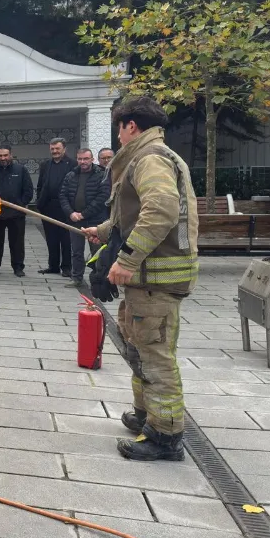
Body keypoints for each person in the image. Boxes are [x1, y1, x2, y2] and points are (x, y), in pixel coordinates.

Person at [81, 96, 199, 462]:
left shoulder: (149, 158)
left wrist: (128, 259)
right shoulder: (149, 157)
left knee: (155, 355)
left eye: (120, 128)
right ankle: (148, 416)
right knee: (139, 349)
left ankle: (166, 436)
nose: (118, 137)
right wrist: (102, 231)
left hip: (155, 278)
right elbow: (132, 214)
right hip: (147, 280)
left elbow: (160, 210)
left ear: (131, 126)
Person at [59, 148, 109, 287]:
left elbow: (102, 198)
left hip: (95, 220)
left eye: (86, 159)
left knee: (97, 251)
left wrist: (84, 214)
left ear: (92, 159)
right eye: (80, 159)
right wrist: (71, 213)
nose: (83, 162)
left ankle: (99, 279)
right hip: (75, 221)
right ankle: (77, 278)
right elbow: (63, 196)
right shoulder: (71, 175)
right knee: (76, 251)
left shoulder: (102, 175)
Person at [0, 146, 34, 277]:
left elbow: (28, 190)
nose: (3, 158)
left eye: (5, 155)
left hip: (16, 214)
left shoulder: (21, 170)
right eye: (0, 155)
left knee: (17, 242)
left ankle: (18, 267)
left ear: (11, 155)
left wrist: (20, 204)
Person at [36, 137, 76, 277]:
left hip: (65, 207)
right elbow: (41, 184)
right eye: (52, 149)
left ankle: (66, 267)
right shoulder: (45, 164)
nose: (55, 151)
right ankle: (53, 266)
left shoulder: (73, 164)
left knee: (65, 238)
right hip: (48, 206)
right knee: (51, 238)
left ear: (64, 149)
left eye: (57, 148)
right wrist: (39, 201)